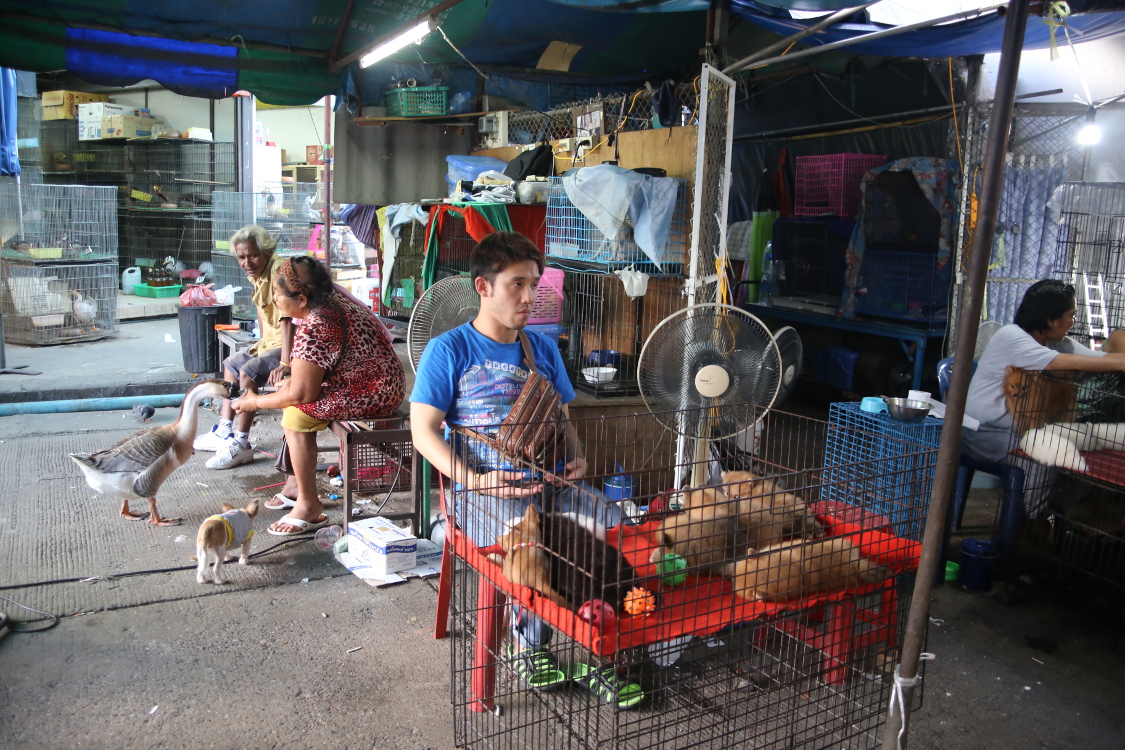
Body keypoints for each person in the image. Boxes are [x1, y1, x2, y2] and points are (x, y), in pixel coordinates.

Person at [410, 232, 641, 708]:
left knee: (616, 525)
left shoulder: (543, 348)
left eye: (534, 284)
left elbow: (563, 417)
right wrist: (476, 480)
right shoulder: (449, 350)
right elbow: (424, 433)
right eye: (516, 284)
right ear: (483, 287)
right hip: (483, 494)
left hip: (550, 486)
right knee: (539, 548)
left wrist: (578, 457)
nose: (529, 296)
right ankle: (528, 645)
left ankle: (607, 647)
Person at [234, 256, 405, 535]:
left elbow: (302, 394)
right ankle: (296, 486)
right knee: (287, 394)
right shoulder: (332, 296)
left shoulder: (316, 325)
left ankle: (308, 505)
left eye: (277, 294)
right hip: (385, 379)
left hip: (373, 390)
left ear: (301, 299)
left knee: (295, 414)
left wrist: (253, 402)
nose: (275, 300)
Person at [964, 279, 1125, 516]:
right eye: (1071, 316)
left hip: (1021, 433)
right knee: (1044, 459)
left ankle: (1051, 509)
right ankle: (1024, 520)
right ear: (1051, 320)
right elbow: (1057, 362)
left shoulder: (1057, 342)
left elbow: (1101, 361)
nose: (1072, 322)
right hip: (985, 434)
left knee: (1085, 456)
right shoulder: (1011, 336)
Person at [194, 225, 293, 470]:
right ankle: (225, 431)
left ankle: (241, 443)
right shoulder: (259, 274)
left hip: (290, 344)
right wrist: (259, 343)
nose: (247, 262)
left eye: (253, 255)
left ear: (267, 252)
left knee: (247, 372)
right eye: (241, 257)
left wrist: (285, 362)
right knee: (231, 364)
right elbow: (262, 311)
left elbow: (288, 320)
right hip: (271, 342)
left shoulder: (279, 272)